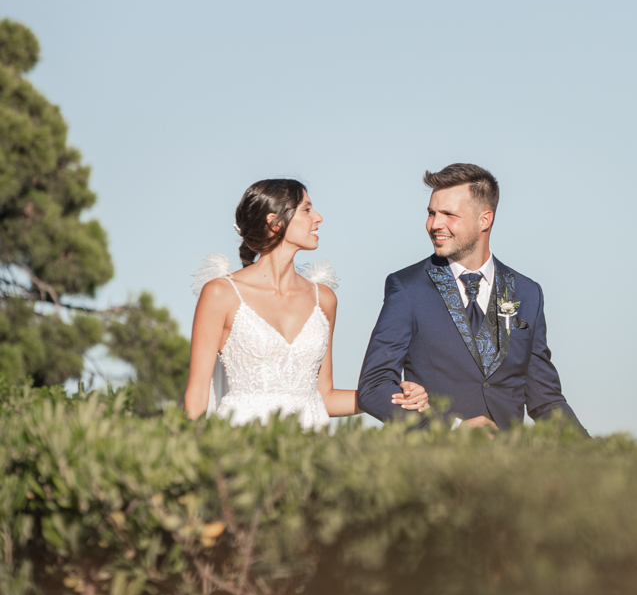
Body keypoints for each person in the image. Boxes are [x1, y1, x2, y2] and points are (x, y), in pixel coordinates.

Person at [357, 163, 587, 435]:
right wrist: (450, 430)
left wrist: (598, 456)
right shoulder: (407, 288)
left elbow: (545, 399)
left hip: (510, 466)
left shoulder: (528, 293)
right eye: (431, 213)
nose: (435, 224)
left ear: (484, 220)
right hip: (435, 464)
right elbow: (374, 386)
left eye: (448, 214)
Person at [184, 179, 428, 426]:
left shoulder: (323, 299)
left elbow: (326, 397)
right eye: (307, 209)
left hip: (309, 446)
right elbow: (197, 396)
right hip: (242, 443)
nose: (318, 217)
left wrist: (394, 397)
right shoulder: (221, 293)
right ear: (275, 221)